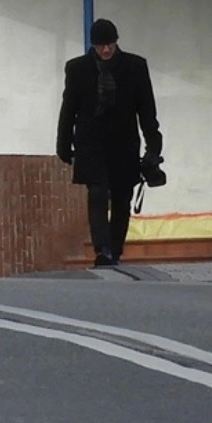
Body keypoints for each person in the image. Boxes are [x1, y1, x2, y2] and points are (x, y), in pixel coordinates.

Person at [56, 18, 162, 267]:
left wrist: (154, 146)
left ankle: (115, 249)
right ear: (93, 45)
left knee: (123, 196)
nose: (106, 50)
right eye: (101, 45)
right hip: (91, 143)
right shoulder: (78, 69)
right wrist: (63, 144)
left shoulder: (135, 67)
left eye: (110, 44)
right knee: (97, 193)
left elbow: (147, 109)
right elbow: (69, 108)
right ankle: (102, 250)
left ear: (116, 42)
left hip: (124, 143)